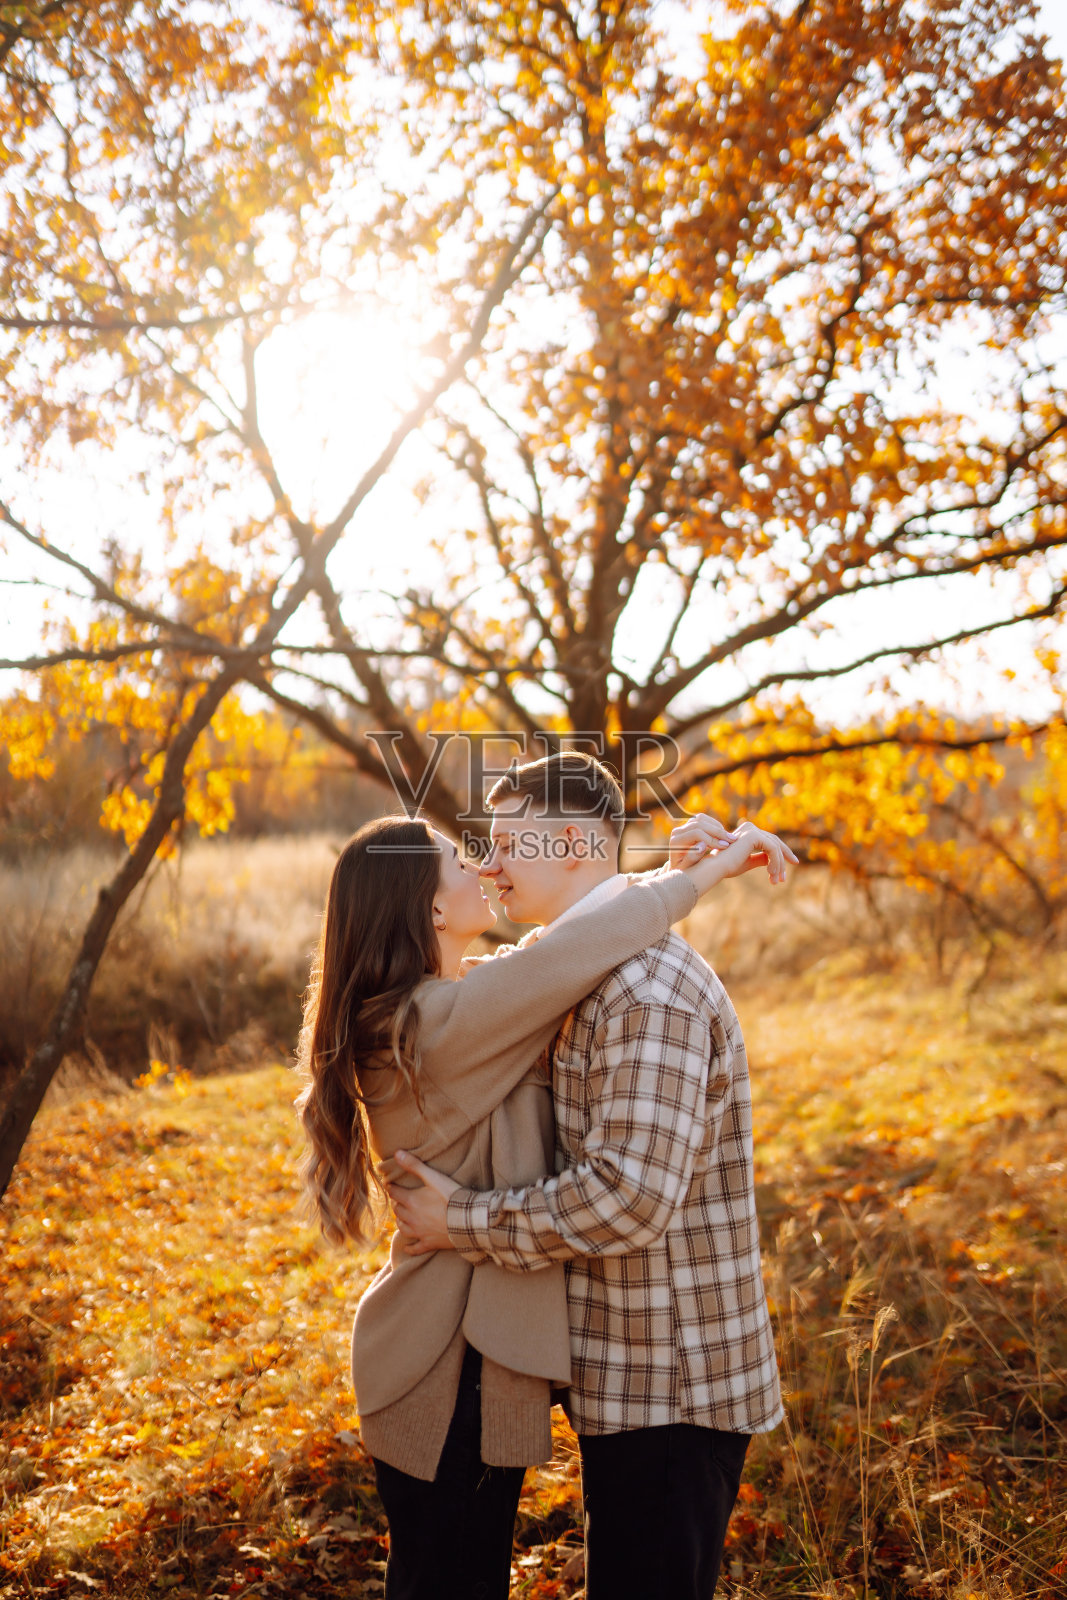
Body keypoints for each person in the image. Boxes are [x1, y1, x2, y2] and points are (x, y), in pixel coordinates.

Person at [296, 796, 794, 1600]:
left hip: (475, 1353)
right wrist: (697, 876)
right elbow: (573, 948)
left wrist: (666, 873)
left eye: (492, 850)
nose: (484, 867)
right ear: (429, 905)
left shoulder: (460, 1003)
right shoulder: (431, 1023)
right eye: (465, 861)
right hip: (438, 1360)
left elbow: (570, 942)